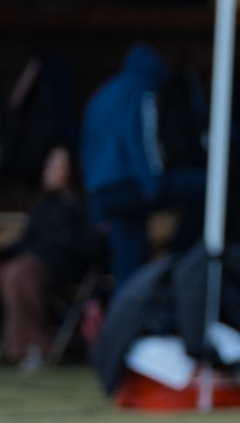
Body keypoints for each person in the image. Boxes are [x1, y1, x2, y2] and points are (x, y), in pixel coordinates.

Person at [0, 145, 94, 370]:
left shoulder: (83, 205)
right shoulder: (43, 204)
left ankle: (31, 348)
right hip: (24, 259)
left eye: (56, 164)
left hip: (54, 266)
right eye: (48, 163)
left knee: (19, 272)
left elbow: (83, 248)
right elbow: (27, 239)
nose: (48, 169)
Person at [81, 43, 204, 286]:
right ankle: (178, 253)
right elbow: (141, 138)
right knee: (209, 186)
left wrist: (92, 194)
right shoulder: (141, 90)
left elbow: (87, 146)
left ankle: (125, 311)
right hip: (131, 186)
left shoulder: (101, 94)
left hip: (103, 193)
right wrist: (152, 181)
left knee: (128, 273)